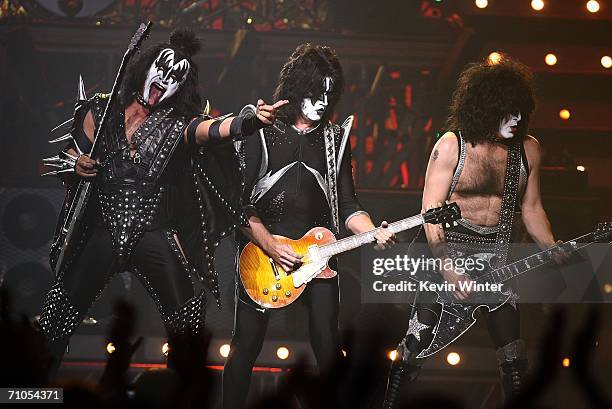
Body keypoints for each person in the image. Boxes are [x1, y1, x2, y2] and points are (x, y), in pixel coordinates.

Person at [38, 28, 286, 375]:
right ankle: (29, 393)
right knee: (56, 317)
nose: (165, 80)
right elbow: (68, 159)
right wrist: (77, 165)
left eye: (174, 77)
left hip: (154, 232)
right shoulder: (100, 109)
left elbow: (214, 129)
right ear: (143, 69)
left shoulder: (179, 125)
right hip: (101, 229)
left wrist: (249, 122)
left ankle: (184, 393)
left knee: (187, 322)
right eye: (162, 70)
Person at [382, 56, 568, 408]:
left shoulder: (528, 149)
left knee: (514, 354)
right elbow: (430, 215)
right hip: (444, 254)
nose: (515, 120)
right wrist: (449, 269)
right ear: (487, 108)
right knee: (415, 345)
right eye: (507, 112)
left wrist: (550, 244)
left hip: (495, 259)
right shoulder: (452, 145)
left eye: (520, 113)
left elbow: (531, 208)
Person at [222, 43, 395, 409]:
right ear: (299, 86)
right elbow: (236, 202)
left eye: (330, 95)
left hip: (318, 253)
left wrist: (371, 231)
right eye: (317, 92)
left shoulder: (335, 139)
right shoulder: (263, 130)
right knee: (244, 348)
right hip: (261, 251)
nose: (322, 102)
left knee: (328, 346)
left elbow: (348, 204)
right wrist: (268, 242)